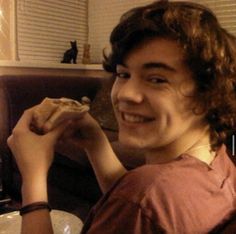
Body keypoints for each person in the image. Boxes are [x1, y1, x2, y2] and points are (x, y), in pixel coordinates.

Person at [7, 0, 236, 233]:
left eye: (157, 79)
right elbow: (138, 202)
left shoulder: (143, 199)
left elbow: (140, 202)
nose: (125, 94)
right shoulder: (220, 163)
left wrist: (33, 181)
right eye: (123, 74)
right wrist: (95, 142)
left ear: (211, 96)